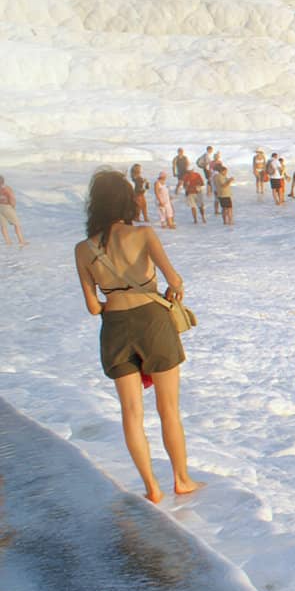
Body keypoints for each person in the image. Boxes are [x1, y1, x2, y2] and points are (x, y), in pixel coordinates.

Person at [72, 169, 199, 504]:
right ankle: (181, 480)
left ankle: (151, 488)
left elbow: (93, 308)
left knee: (131, 412)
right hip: (153, 322)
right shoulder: (143, 235)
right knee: (168, 408)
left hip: (114, 327)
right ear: (127, 200)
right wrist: (173, 291)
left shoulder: (83, 250)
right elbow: (175, 280)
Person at [0, 175, 24, 245]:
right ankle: (21, 241)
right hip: (7, 207)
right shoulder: (7, 189)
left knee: (3, 225)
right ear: (3, 181)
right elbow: (12, 198)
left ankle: (8, 242)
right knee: (17, 224)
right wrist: (13, 207)